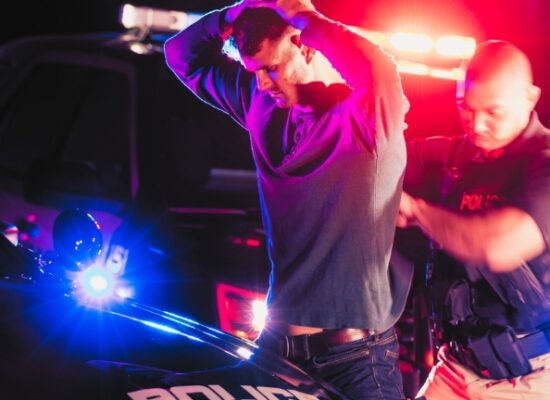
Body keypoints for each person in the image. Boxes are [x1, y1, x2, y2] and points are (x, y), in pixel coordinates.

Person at [165, 0, 410, 398]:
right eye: (255, 71)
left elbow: (378, 69)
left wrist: (307, 18)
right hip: (276, 352)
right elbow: (181, 55)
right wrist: (234, 14)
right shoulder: (260, 103)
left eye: (271, 68)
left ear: (308, 47)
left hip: (354, 362)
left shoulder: (367, 116)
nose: (262, 82)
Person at [397, 40, 550, 399]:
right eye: (464, 107)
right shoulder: (458, 153)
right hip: (457, 366)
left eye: (493, 112)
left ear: (530, 97)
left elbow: (497, 246)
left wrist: (418, 212)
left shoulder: (544, 163)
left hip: (532, 378)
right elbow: (380, 154)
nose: (476, 124)